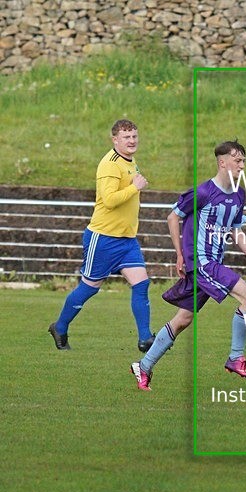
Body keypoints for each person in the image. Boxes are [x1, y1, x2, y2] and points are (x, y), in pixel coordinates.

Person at [130, 140, 246, 391]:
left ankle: (144, 365)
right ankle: (236, 357)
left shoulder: (239, 193)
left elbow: (235, 229)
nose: (242, 165)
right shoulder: (204, 192)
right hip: (202, 262)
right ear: (222, 162)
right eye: (237, 160)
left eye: (243, 161)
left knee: (183, 319)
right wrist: (179, 255)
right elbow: (173, 216)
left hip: (213, 263)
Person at [48, 119, 154, 353]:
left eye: (134, 136)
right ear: (115, 139)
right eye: (126, 137)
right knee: (89, 287)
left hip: (126, 240)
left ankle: (145, 339)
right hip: (104, 238)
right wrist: (135, 187)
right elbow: (109, 200)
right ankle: (60, 326)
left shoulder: (130, 161)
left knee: (141, 284)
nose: (132, 140)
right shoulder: (109, 164)